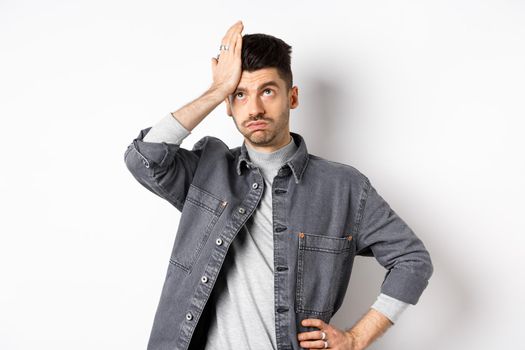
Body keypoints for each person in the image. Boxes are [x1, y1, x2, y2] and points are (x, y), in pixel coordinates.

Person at [123, 20, 433, 350]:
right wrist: (216, 91)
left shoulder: (344, 188)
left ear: (293, 96)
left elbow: (412, 260)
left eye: (267, 91)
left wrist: (358, 338)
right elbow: (143, 157)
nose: (254, 108)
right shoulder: (206, 170)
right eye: (240, 94)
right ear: (228, 105)